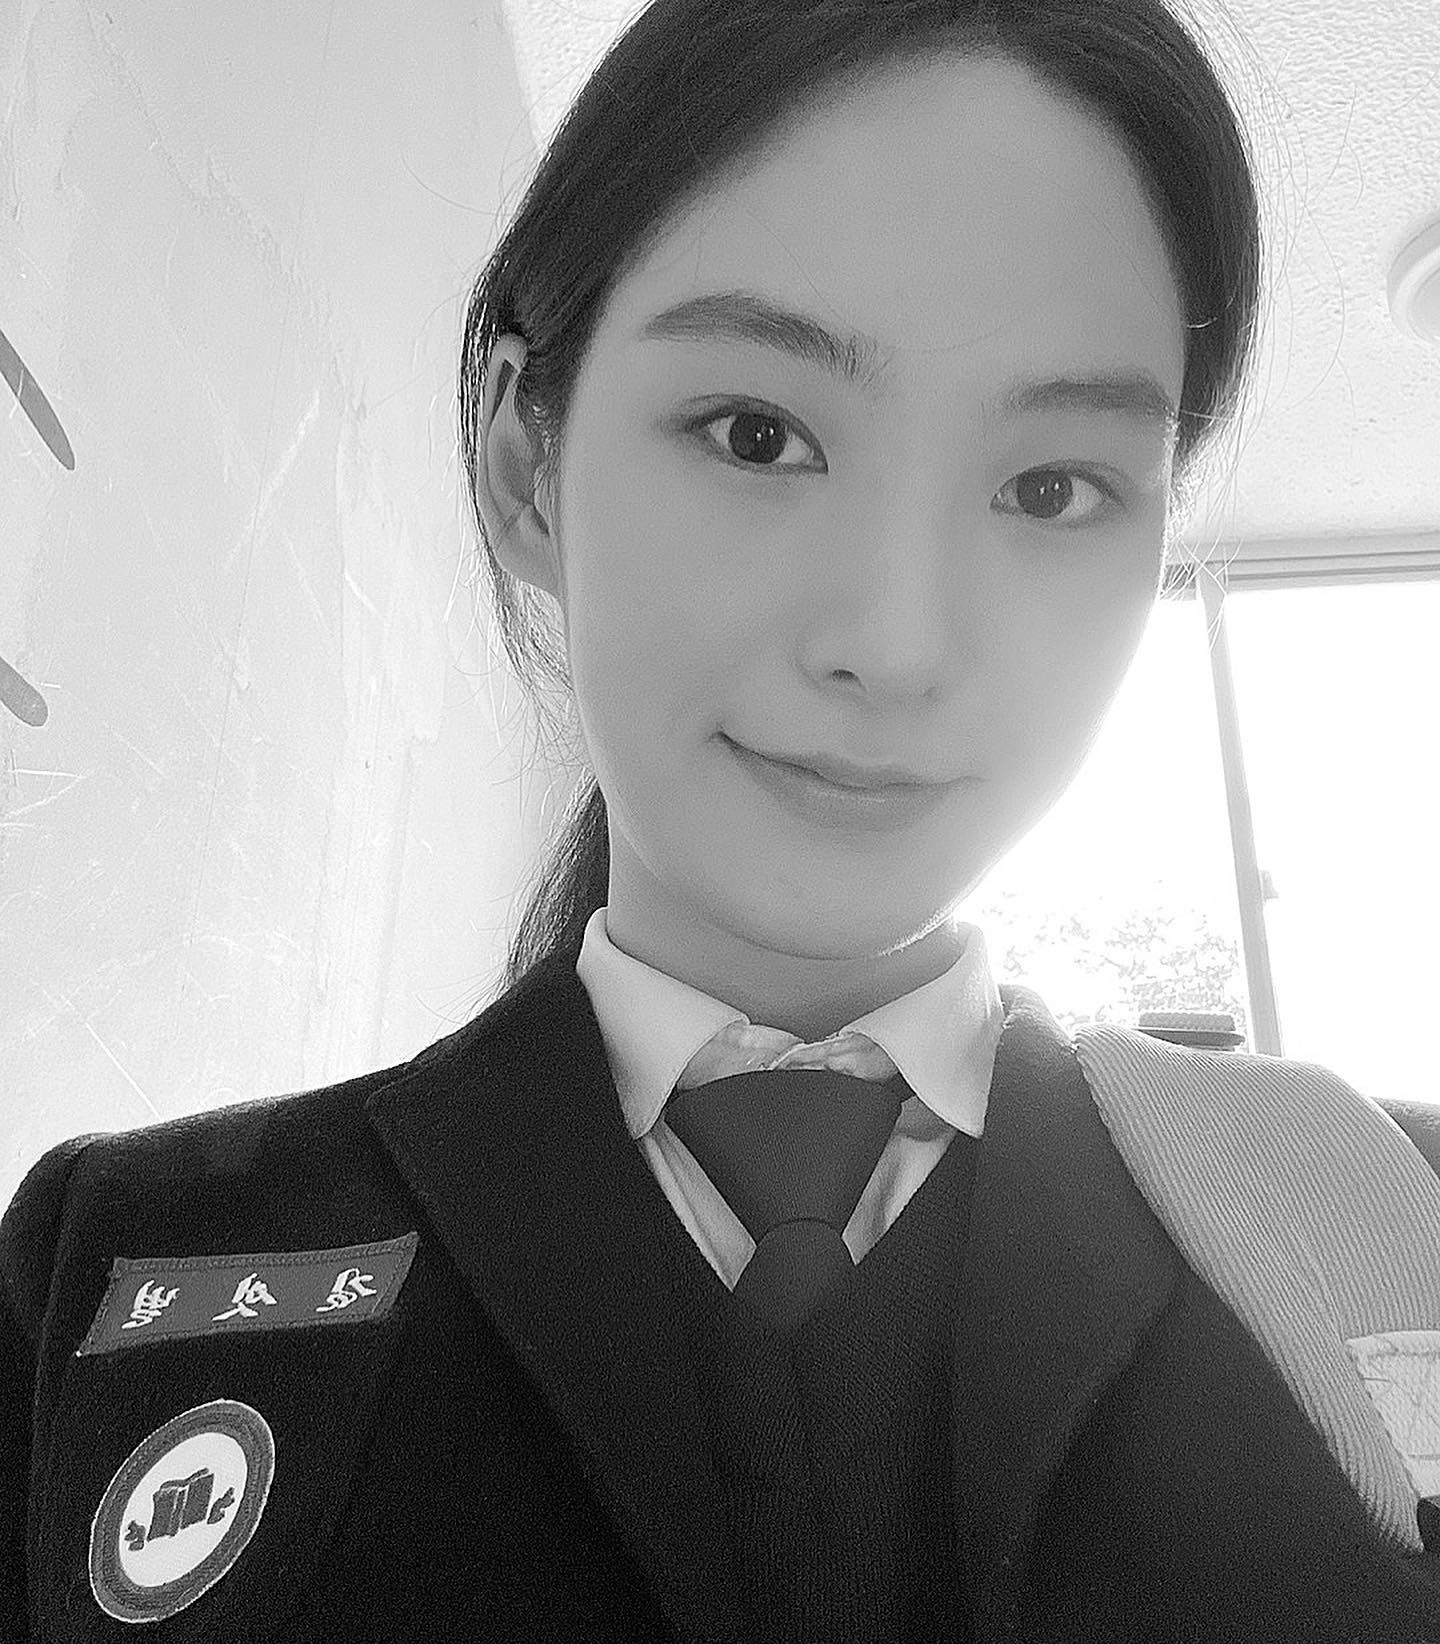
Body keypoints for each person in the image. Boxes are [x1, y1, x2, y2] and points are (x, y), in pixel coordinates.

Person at [3, 0, 1438, 1638]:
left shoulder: (1387, 1218)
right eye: (759, 435)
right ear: (525, 464)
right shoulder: (115, 1271)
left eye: (1054, 487)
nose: (895, 642)